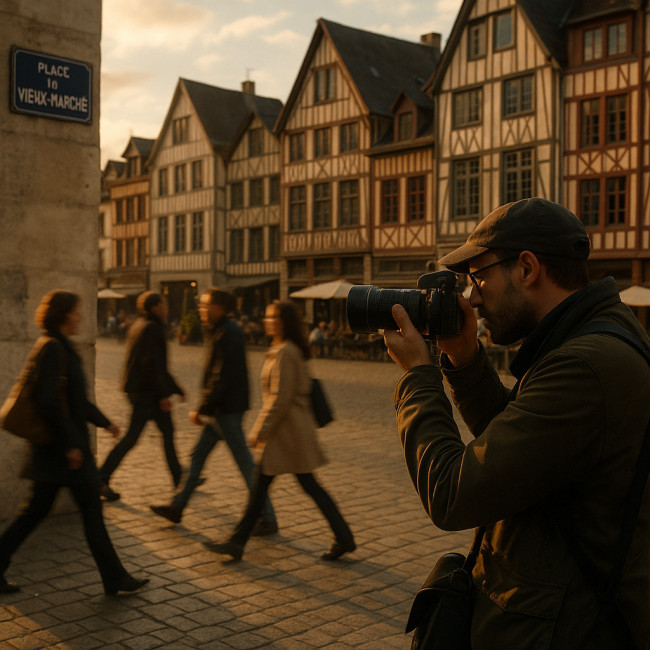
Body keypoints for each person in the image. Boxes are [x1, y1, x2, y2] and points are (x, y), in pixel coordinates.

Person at [384, 198, 650, 649]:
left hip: (566, 628)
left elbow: (452, 493)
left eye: (480, 276)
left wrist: (417, 376)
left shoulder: (585, 365)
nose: (471, 295)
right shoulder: (592, 336)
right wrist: (463, 357)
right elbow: (526, 451)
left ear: (527, 268)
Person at [0, 290, 148, 596]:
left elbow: (76, 400)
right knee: (77, 511)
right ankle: (115, 577)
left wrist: (105, 422)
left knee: (39, 512)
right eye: (76, 311)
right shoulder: (53, 347)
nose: (80, 316)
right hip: (63, 450)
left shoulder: (61, 346)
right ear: (63, 314)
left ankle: (114, 576)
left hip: (61, 449)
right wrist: (70, 445)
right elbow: (48, 402)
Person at [207, 300, 356, 562]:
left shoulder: (286, 352)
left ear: (285, 322)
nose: (268, 321)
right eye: (267, 317)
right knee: (279, 487)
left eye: (273, 317)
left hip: (288, 433)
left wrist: (260, 429)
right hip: (289, 433)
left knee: (275, 487)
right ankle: (238, 541)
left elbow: (280, 398)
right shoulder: (282, 349)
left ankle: (237, 542)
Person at [150, 288, 277, 534]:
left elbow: (223, 377)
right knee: (198, 457)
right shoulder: (221, 330)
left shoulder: (228, 333)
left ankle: (268, 516)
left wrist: (203, 407)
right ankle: (177, 506)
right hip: (222, 409)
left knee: (245, 465)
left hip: (227, 410)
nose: (201, 309)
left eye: (206, 305)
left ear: (219, 307)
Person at [99, 291, 185, 501]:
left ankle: (179, 478)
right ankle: (100, 478)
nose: (166, 308)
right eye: (164, 304)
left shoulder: (139, 325)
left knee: (166, 432)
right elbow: (154, 365)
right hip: (147, 393)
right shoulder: (153, 328)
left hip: (139, 389)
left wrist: (174, 388)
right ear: (155, 307)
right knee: (133, 438)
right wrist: (164, 394)